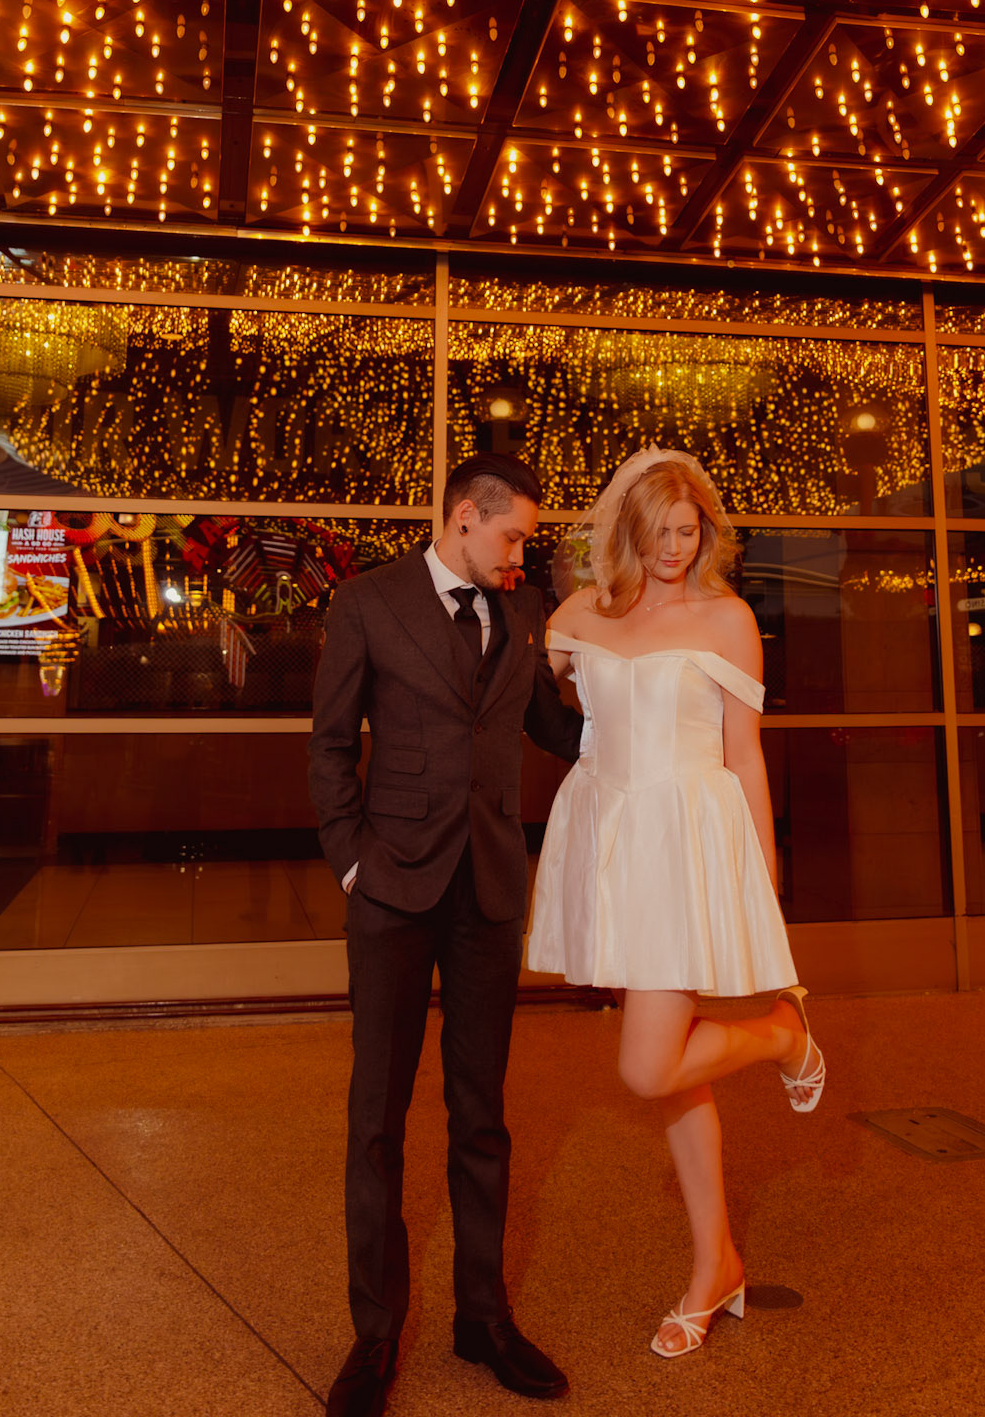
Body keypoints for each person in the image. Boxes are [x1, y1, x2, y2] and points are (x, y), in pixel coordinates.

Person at [528, 447, 825, 1360]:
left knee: (647, 1068)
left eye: (687, 531)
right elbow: (540, 698)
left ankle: (778, 1034)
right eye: (657, 531)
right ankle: (715, 1263)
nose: (672, 548)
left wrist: (763, 870)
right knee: (671, 1076)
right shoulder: (582, 613)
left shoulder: (728, 618)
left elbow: (743, 752)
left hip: (686, 843)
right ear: (627, 530)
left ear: (707, 533)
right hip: (611, 841)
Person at [309, 454, 584, 1417]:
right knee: (376, 1118)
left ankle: (483, 1318)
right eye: (512, 537)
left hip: (488, 890)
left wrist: (659, 728)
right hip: (389, 886)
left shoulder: (523, 608)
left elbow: (555, 728)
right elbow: (330, 745)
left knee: (482, 1114)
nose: (520, 556)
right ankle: (375, 1335)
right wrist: (353, 864)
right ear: (465, 517)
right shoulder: (367, 602)